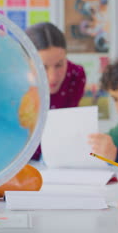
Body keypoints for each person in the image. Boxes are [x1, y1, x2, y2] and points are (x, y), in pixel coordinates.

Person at [25, 22, 86, 160]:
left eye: (59, 65)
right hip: (18, 161)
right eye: (43, 67)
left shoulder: (76, 75)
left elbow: (66, 128)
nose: (53, 77)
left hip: (58, 159)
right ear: (27, 62)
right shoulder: (14, 83)